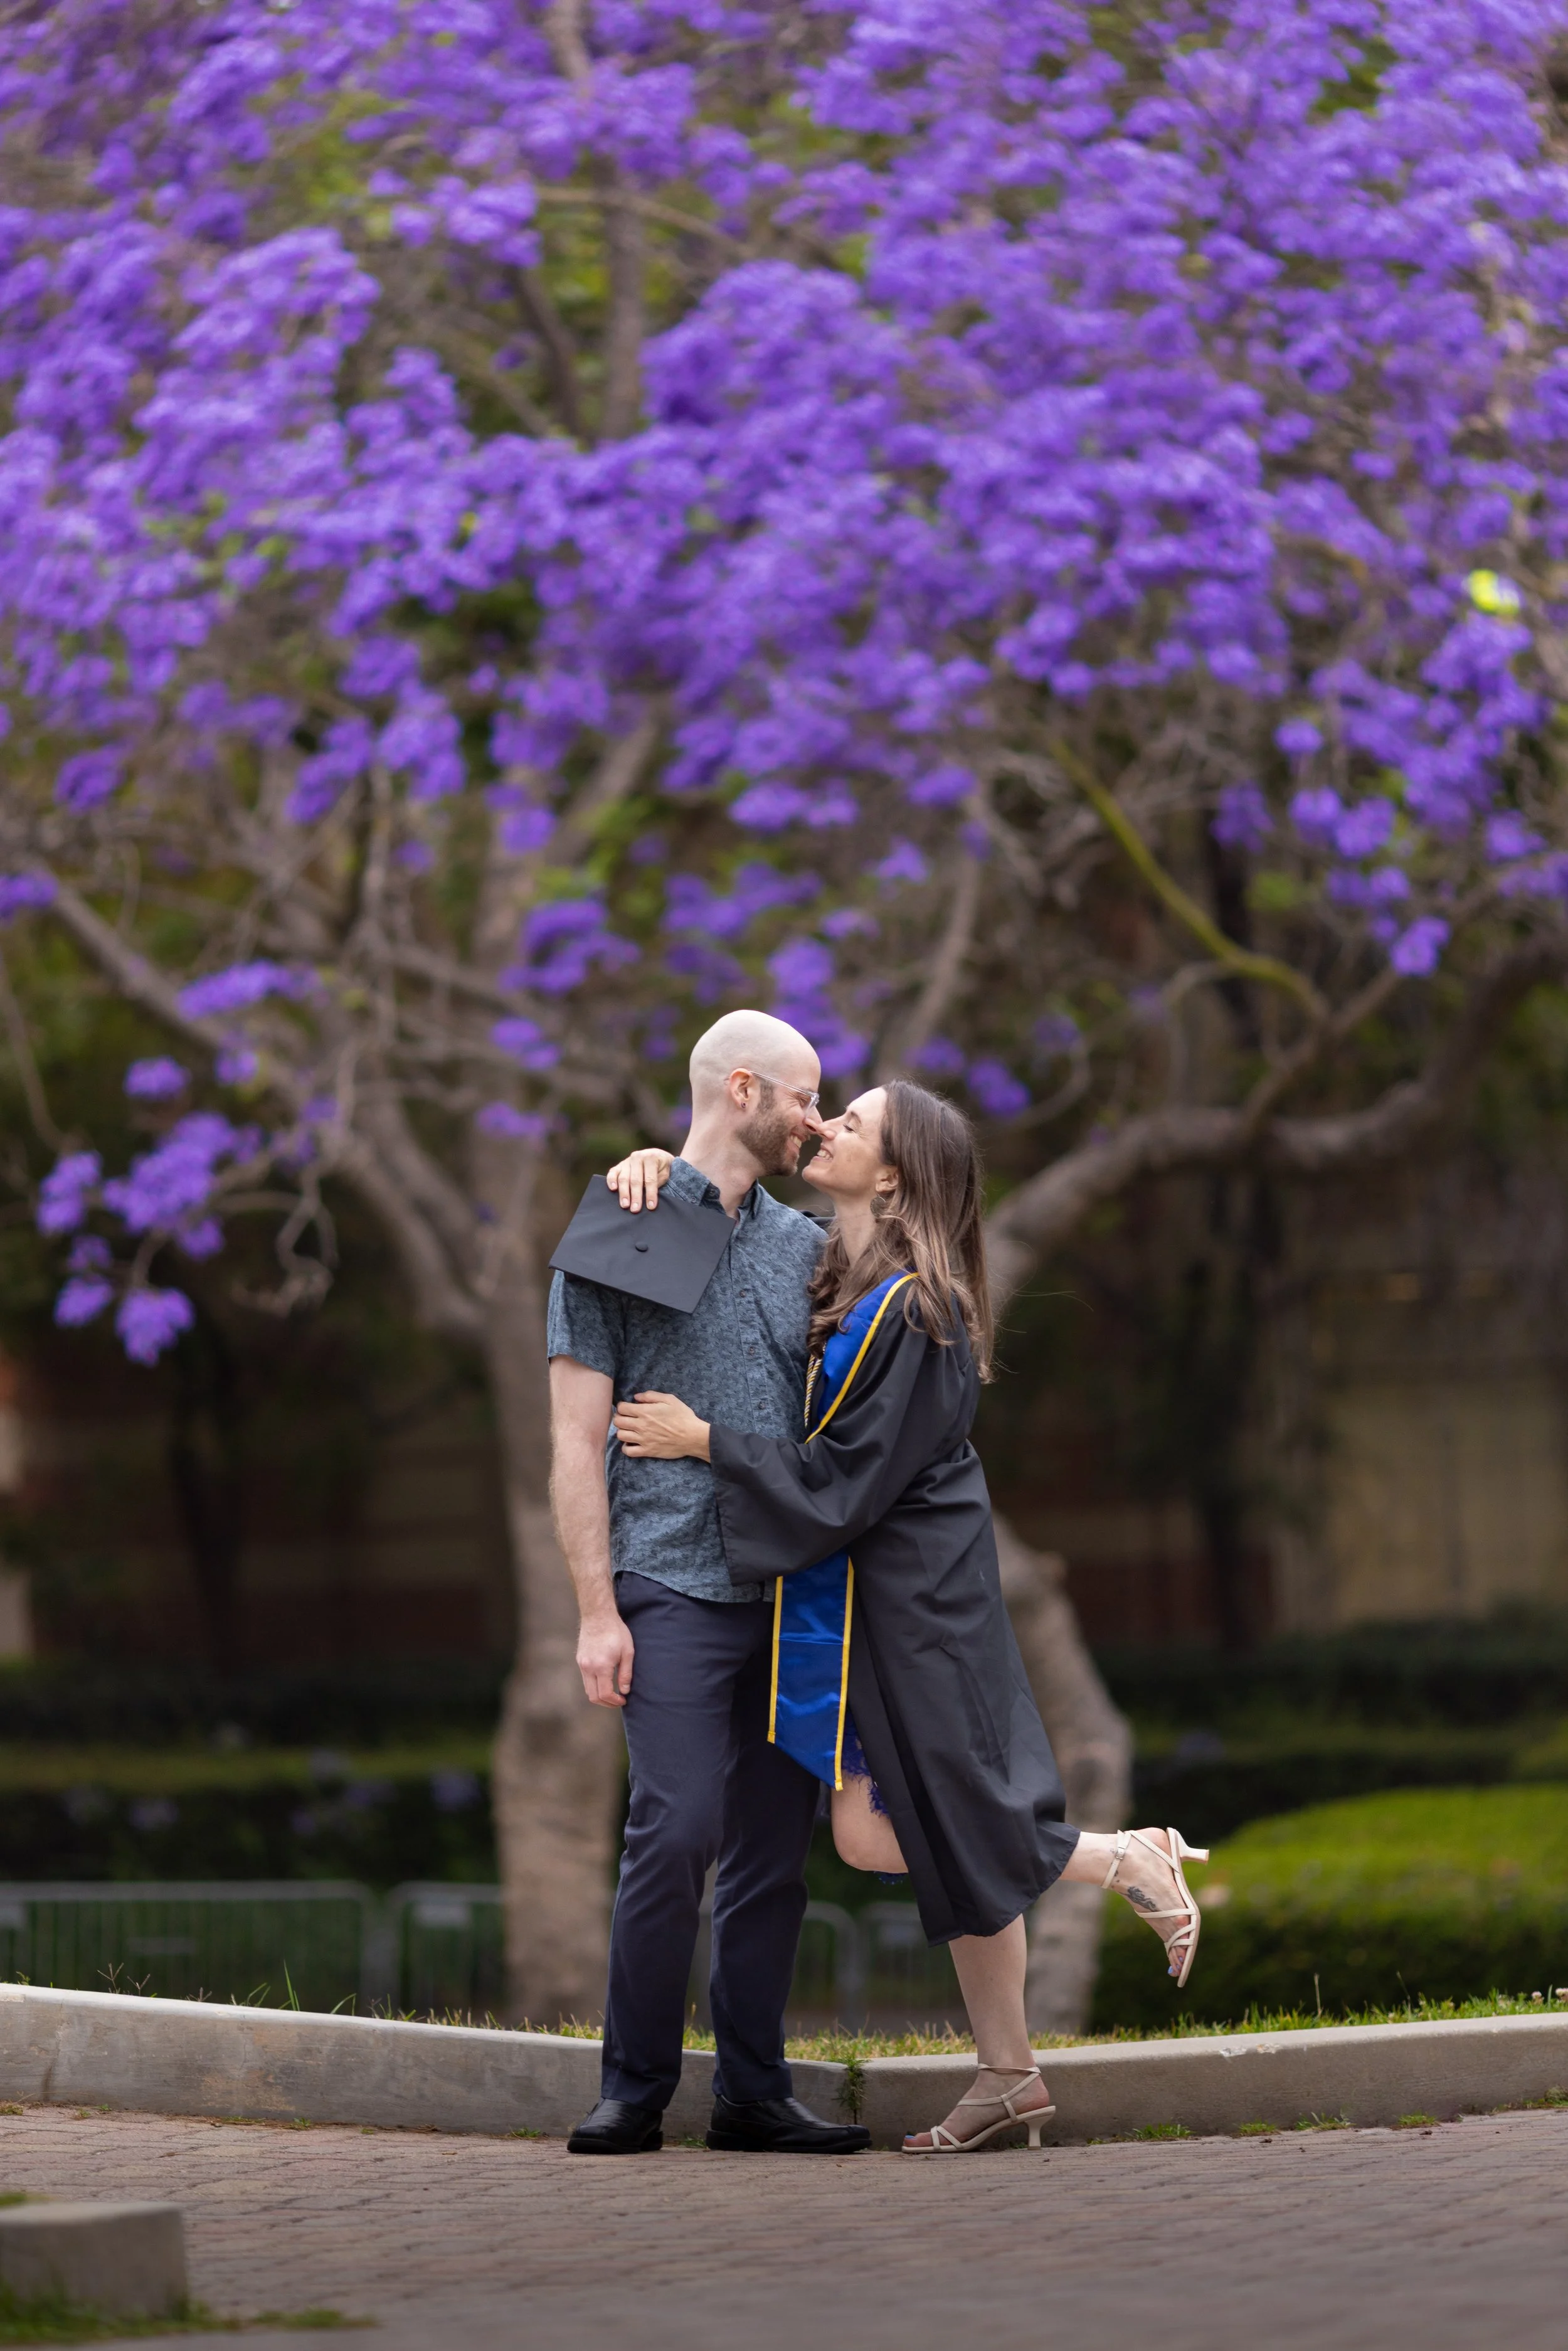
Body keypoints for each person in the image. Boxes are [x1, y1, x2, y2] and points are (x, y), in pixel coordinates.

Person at [610, 1078, 1209, 2153]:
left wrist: (707, 1441)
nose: (825, 1124)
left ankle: (1123, 1860)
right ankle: (1011, 2073)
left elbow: (847, 1479)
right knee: (890, 1828)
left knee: (927, 1815)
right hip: (860, 1600)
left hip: (917, 1603)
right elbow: (717, 1209)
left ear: (892, 1173)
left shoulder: (917, 1306)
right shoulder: (839, 1272)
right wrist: (652, 1170)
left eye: (852, 1124)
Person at [547, 1009, 871, 2156]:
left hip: (789, 1592)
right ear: (743, 1090)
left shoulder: (810, 1248)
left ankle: (751, 2093)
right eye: (803, 1097)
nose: (815, 1119)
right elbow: (574, 1445)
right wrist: (596, 1612)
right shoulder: (615, 1229)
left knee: (773, 1855)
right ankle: (633, 2087)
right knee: (673, 1826)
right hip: (670, 1582)